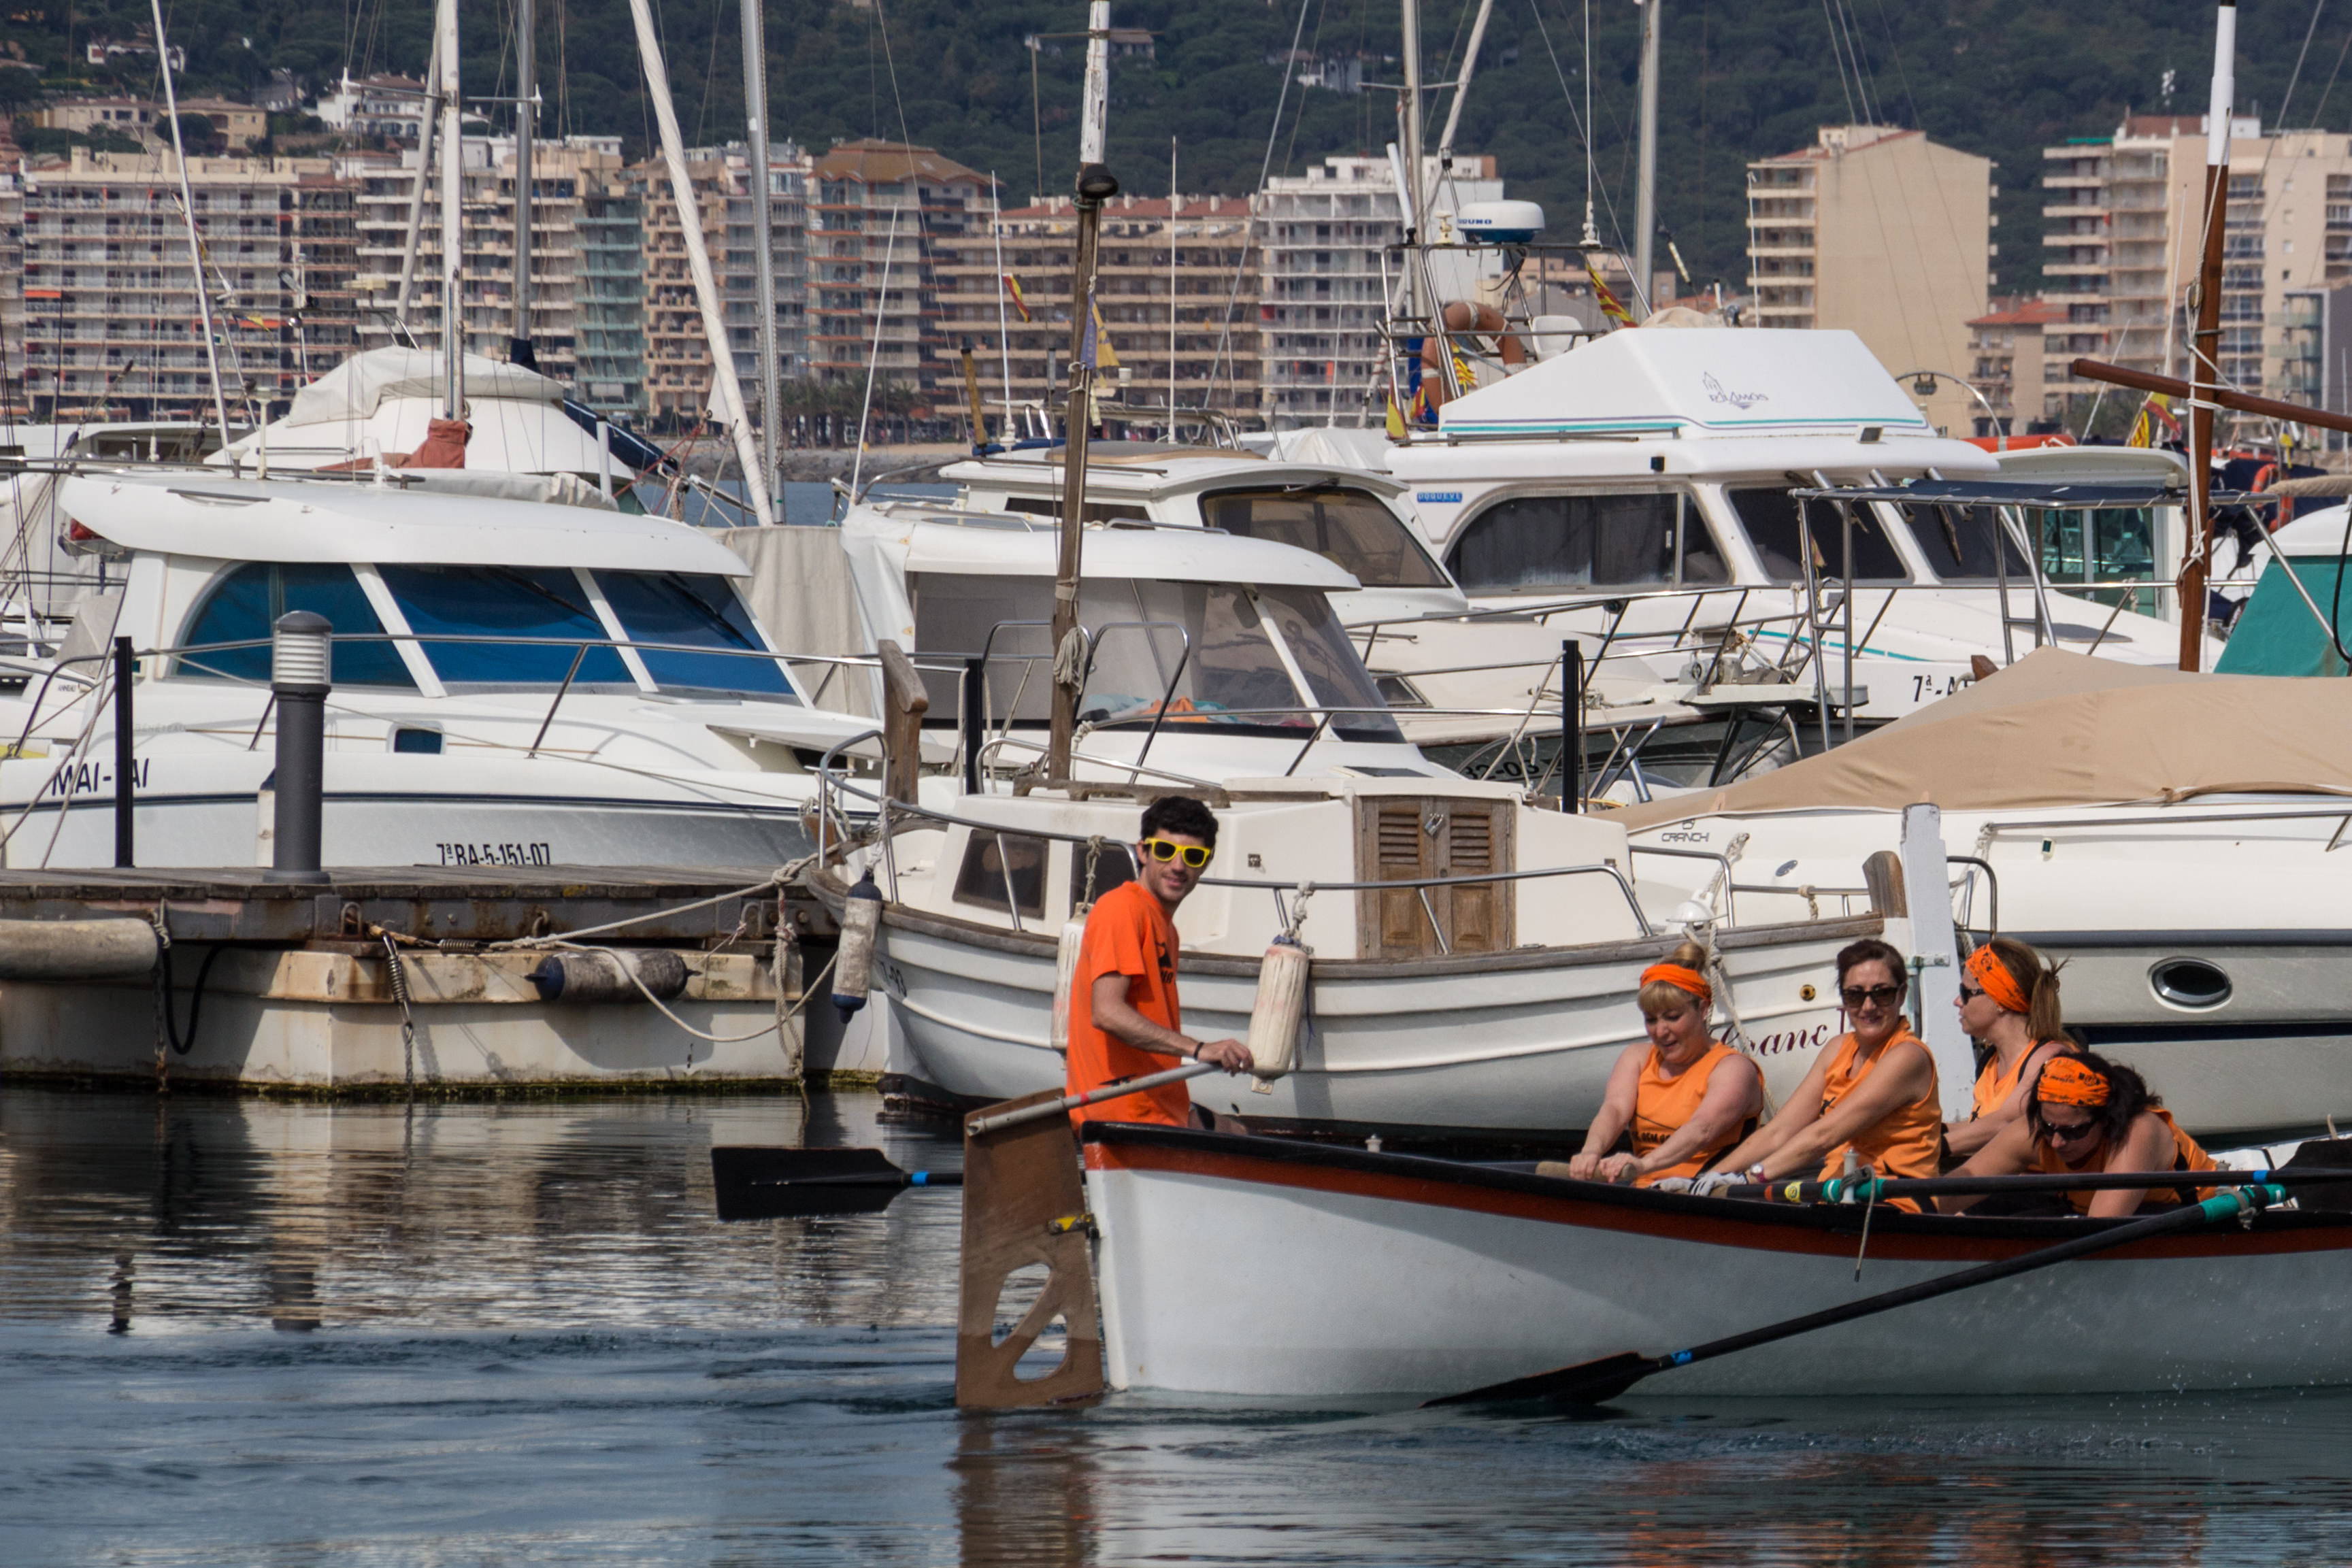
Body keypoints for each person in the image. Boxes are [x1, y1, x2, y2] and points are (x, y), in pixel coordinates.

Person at [1702, 937, 1941, 1208]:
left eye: (1882, 993)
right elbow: (1778, 1132)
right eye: (1855, 995)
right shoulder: (1837, 1049)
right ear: (1843, 998)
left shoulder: (1908, 1057)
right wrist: (1709, 1179)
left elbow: (1825, 1136)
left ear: (1901, 994)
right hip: (1837, 1200)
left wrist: (1749, 1179)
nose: (1868, 1006)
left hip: (1895, 1205)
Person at [1064, 795, 1254, 1129]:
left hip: (1161, 1108)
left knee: (1238, 1134)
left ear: (1205, 864)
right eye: (1166, 851)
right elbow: (1107, 1012)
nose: (1178, 866)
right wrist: (1199, 1049)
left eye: (1192, 856)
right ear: (1143, 852)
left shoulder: (1166, 928)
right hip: (1125, 1118)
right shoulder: (1122, 908)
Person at [1557, 942, 1761, 1186]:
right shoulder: (1636, 1058)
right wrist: (1591, 1152)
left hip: (1701, 1194)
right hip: (1645, 1190)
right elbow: (1615, 1109)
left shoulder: (1733, 1069)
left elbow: (1702, 1129)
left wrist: (1645, 1164)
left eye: (1673, 1017)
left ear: (1703, 1009)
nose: (1661, 1031)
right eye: (1651, 1020)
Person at [1937, 1052, 2219, 1218]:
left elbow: (2101, 1227)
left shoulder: (2138, 1131)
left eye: (2074, 1131)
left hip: (2184, 1216)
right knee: (1984, 1204)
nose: (2057, 1142)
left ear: (2106, 1120)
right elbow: (1952, 1192)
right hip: (2086, 1215)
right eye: (2049, 1127)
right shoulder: (2030, 1131)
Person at [1942, 939, 2078, 1161]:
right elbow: (1979, 1127)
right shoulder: (1991, 1061)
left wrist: (1925, 1148)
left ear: (1999, 1000)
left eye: (1965, 992)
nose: (1957, 1001)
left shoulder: (2051, 1060)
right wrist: (1922, 1133)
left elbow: (2005, 1124)